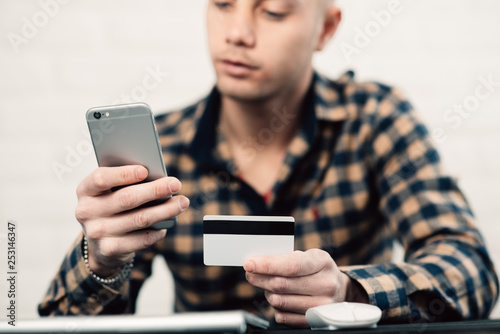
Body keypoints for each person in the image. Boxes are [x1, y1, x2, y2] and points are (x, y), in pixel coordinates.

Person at [39, 0, 498, 328]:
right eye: (222, 5)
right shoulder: (166, 149)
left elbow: (470, 267)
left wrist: (349, 293)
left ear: (326, 29)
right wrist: (100, 260)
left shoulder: (375, 119)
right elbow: (61, 325)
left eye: (273, 11)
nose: (237, 32)